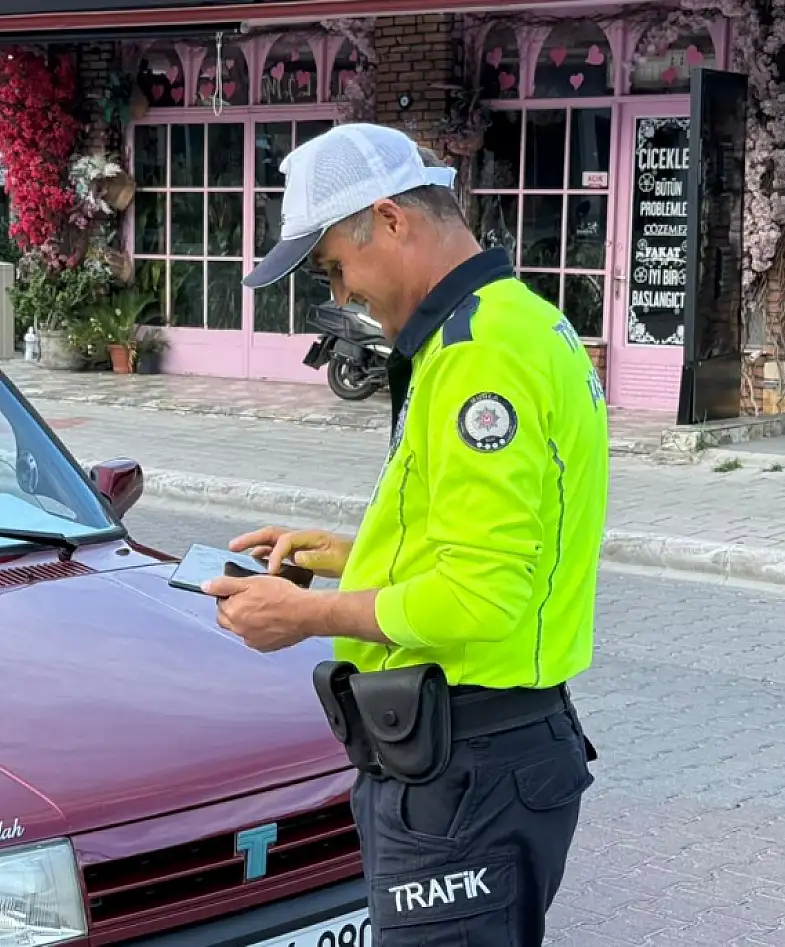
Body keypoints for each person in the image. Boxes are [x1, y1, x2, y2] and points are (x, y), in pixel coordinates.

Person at [202, 123, 608, 946]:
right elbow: (502, 541)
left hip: (466, 770)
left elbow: (480, 595)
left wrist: (307, 617)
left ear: (390, 220)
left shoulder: (476, 356)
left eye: (336, 269)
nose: (344, 296)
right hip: (486, 758)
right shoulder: (516, 322)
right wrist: (354, 553)